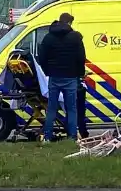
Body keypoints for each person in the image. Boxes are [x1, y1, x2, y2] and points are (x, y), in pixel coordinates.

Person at [37, 12, 86, 142]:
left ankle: (47, 136)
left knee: (51, 108)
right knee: (71, 109)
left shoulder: (48, 37)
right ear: (69, 23)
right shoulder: (75, 37)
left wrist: (48, 70)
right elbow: (81, 58)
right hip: (70, 77)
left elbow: (41, 57)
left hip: (54, 77)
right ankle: (72, 137)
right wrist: (79, 74)